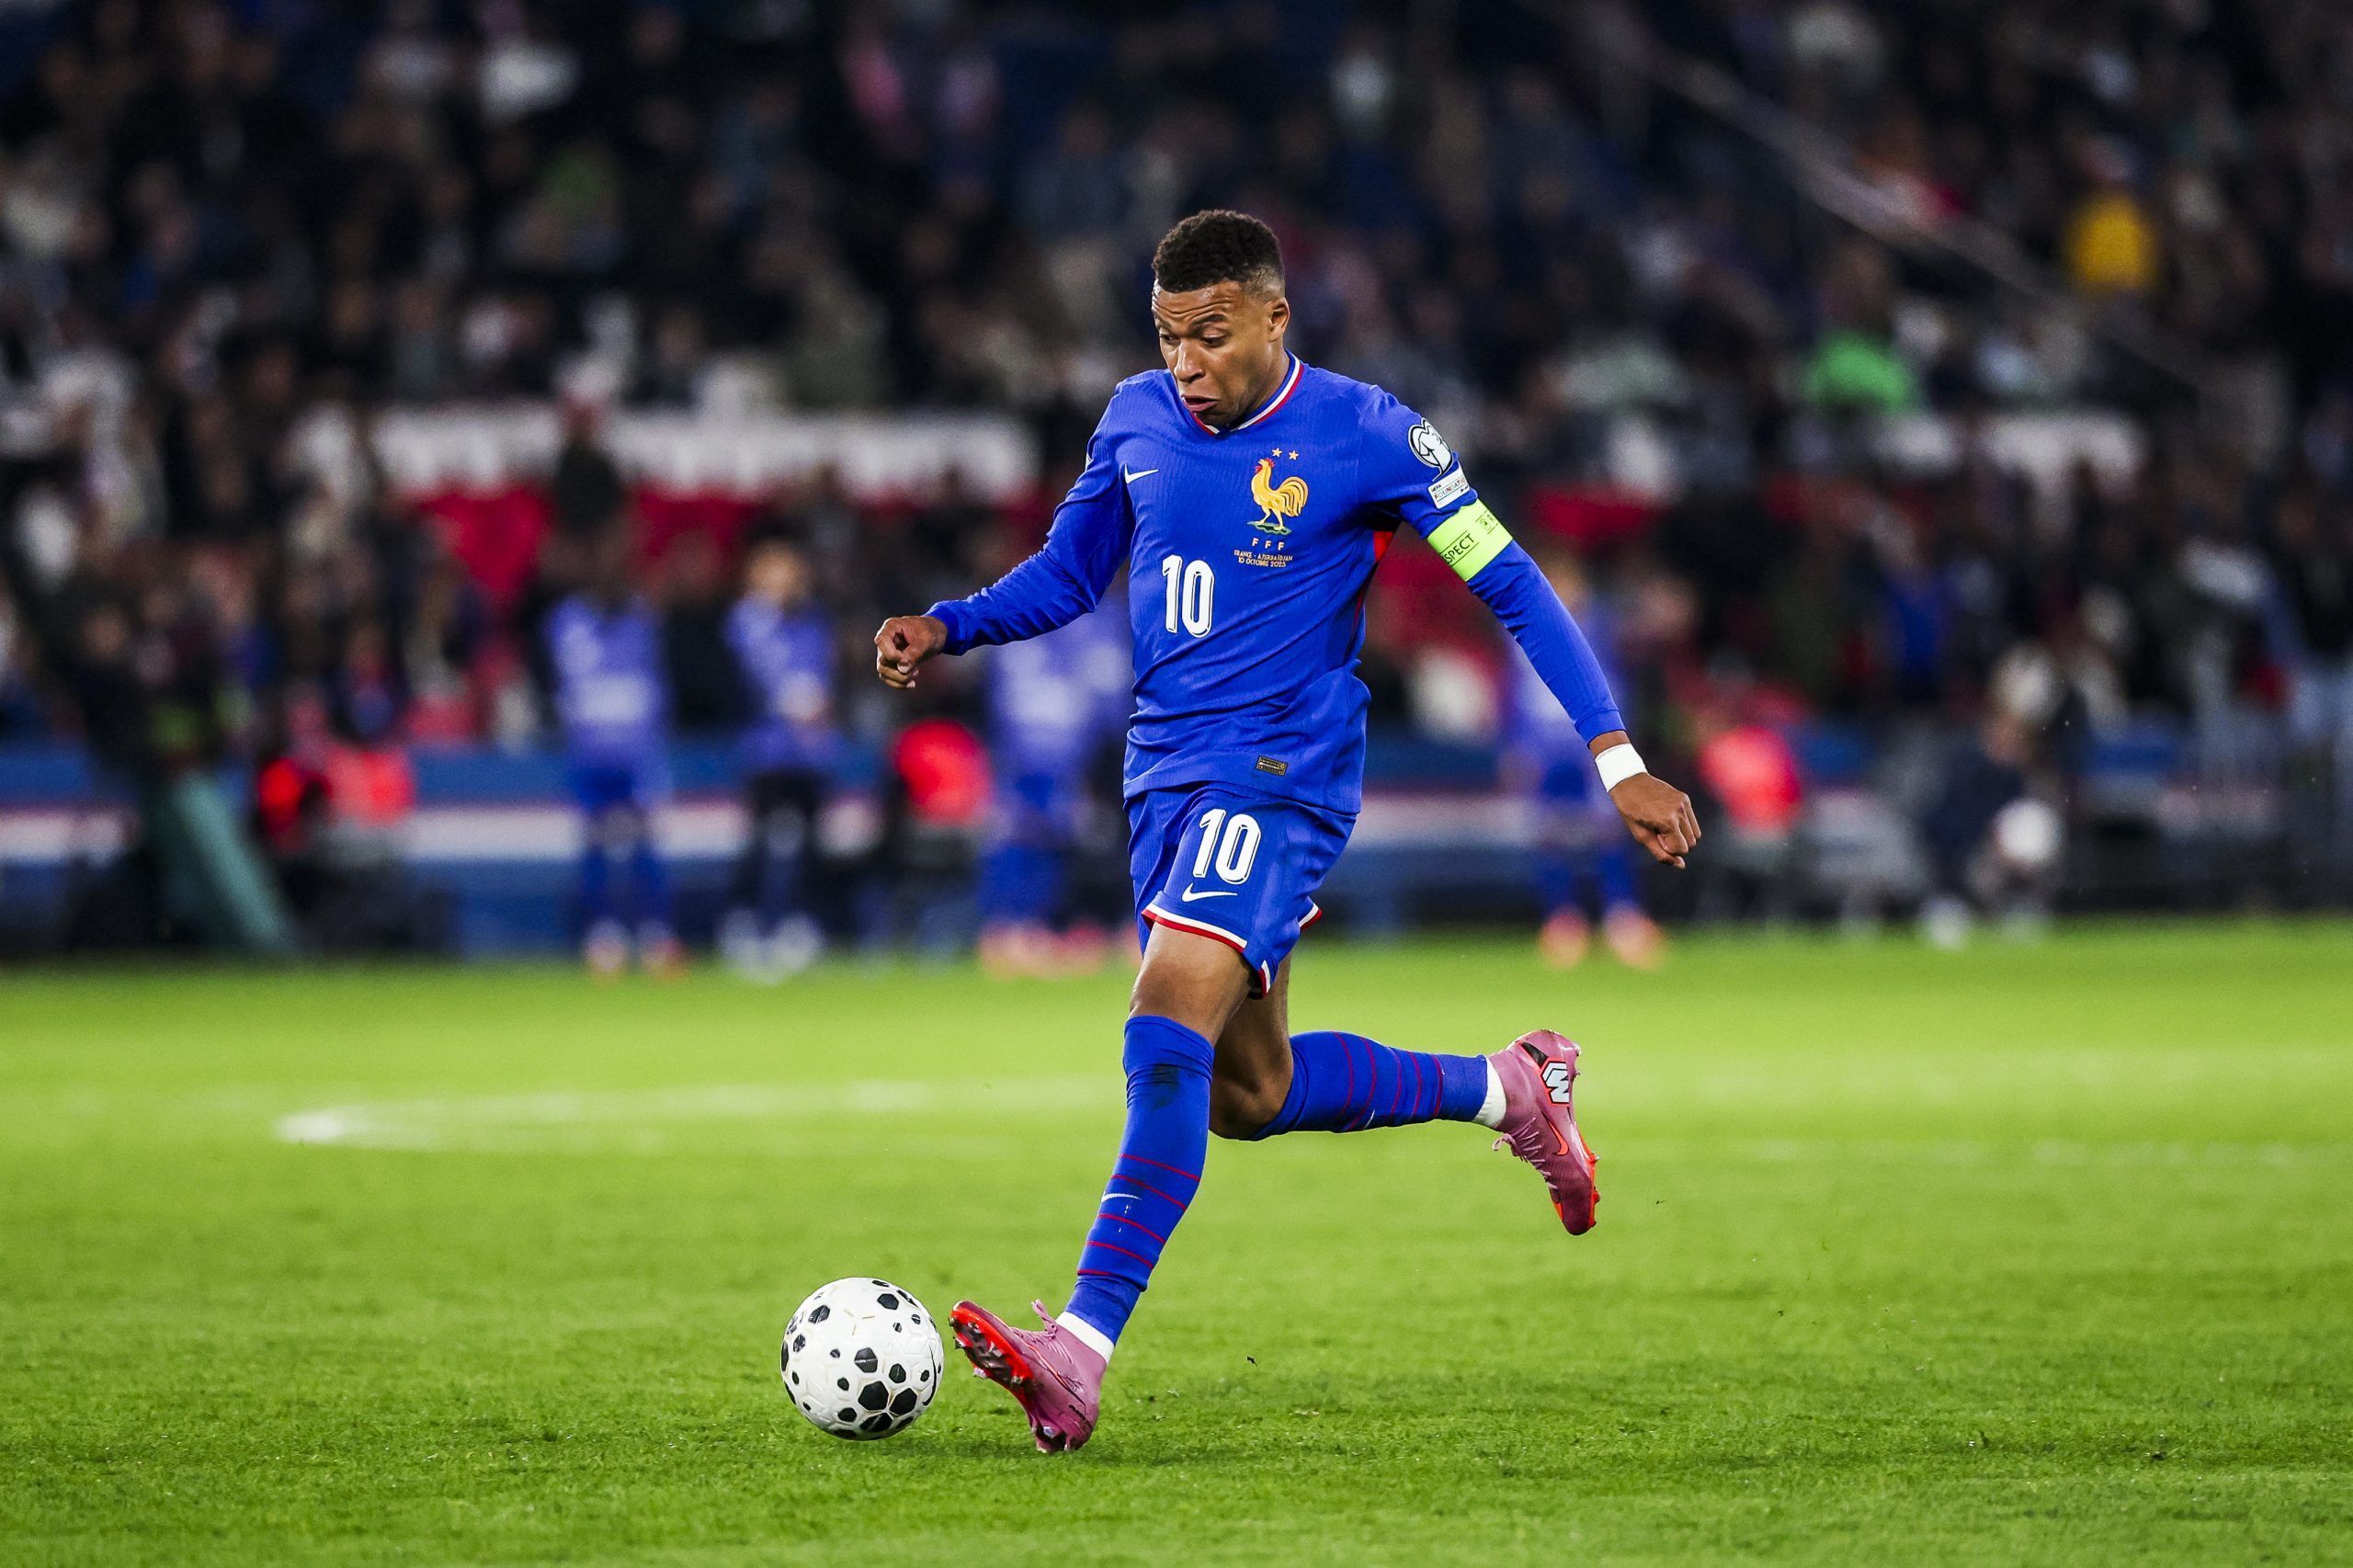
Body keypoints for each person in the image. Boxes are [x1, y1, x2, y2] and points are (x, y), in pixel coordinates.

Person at [873, 211, 1700, 1452]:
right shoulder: (1135, 418)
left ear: (1274, 316)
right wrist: (948, 622)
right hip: (1163, 777)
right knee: (1249, 1093)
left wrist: (1616, 755)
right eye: (1167, 336)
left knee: (1164, 1026)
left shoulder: (1374, 435)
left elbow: (1511, 579)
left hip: (1279, 776)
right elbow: (1066, 571)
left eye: (1210, 334)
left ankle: (1078, 1350)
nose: (1187, 361)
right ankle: (1511, 1087)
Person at [1503, 544, 1665, 969]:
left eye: (1569, 582)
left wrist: (1620, 743)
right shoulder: (1517, 628)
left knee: (1610, 828)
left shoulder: (1598, 627)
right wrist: (1515, 745)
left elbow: (1616, 683)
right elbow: (1513, 693)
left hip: (1590, 745)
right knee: (1551, 833)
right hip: (1544, 745)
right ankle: (1563, 921)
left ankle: (1623, 917)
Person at [548, 527, 681, 978]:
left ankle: (655, 936)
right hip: (591, 752)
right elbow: (563, 688)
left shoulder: (643, 620)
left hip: (637, 751)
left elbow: (655, 684)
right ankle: (603, 938)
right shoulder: (567, 622)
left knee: (644, 843)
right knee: (596, 844)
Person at [976, 597, 1131, 977]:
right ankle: (1019, 930)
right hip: (1025, 767)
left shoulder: (1102, 625)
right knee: (1022, 840)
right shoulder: (1017, 630)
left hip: (1098, 766)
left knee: (1097, 839)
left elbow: (1115, 703)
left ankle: (1099, 928)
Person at [720, 534, 838, 980]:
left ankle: (798, 925)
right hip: (766, 751)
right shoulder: (748, 622)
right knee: (761, 841)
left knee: (808, 842)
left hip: (808, 753)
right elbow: (759, 678)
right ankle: (745, 922)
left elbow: (822, 678)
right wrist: (794, 701)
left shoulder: (812, 622)